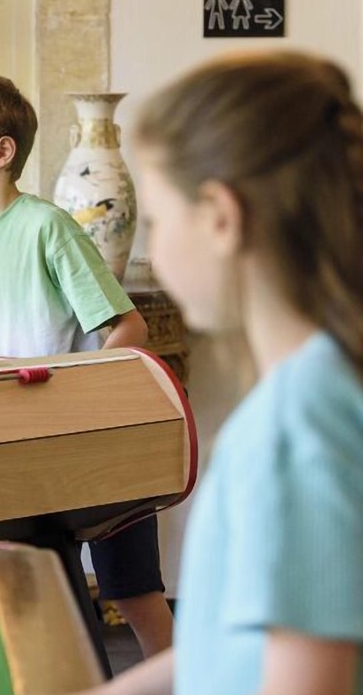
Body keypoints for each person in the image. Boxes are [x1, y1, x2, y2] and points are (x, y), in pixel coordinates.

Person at [76, 51, 363, 695]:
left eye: (156, 220)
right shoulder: (326, 386)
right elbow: (230, 646)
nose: (153, 250)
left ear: (220, 217)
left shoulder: (296, 425)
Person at [0, 74, 173, 660]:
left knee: (133, 593)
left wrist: (70, 398)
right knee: (44, 582)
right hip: (23, 446)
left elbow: (130, 329)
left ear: (1, 152)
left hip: (98, 442)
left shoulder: (48, 227)